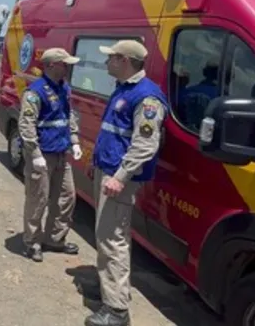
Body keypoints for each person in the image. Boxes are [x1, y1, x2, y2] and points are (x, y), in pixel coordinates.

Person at [85, 40, 168, 326]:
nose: (106, 63)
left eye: (111, 58)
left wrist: (120, 177)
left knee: (113, 240)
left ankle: (117, 310)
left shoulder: (147, 98)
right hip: (106, 170)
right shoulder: (124, 89)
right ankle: (108, 288)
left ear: (125, 61)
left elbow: (145, 146)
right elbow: (112, 133)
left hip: (118, 178)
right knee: (105, 235)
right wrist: (94, 162)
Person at [18, 48, 83, 263]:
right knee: (38, 199)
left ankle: (55, 239)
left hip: (62, 151)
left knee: (67, 196)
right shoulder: (35, 92)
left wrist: (74, 140)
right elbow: (26, 125)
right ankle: (32, 241)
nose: (68, 67)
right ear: (52, 65)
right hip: (43, 154)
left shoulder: (65, 88)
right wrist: (34, 153)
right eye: (65, 64)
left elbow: (68, 116)